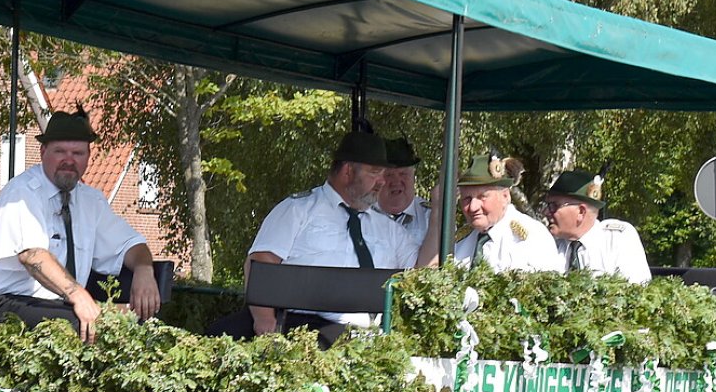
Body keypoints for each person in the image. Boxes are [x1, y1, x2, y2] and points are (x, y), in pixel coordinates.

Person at [0, 110, 161, 343]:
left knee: (136, 322)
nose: (69, 160)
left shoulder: (91, 201)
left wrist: (144, 269)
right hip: (1, 303)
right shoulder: (22, 193)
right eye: (60, 151)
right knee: (82, 326)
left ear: (88, 157)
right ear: (43, 152)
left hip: (58, 305)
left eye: (77, 153)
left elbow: (130, 244)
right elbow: (32, 256)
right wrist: (78, 295)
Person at [207, 129, 392, 345]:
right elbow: (261, 261)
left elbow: (422, 270)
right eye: (374, 172)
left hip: (360, 334)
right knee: (214, 339)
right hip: (296, 325)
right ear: (348, 171)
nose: (382, 181)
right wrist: (265, 319)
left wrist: (438, 213)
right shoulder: (297, 209)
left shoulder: (388, 228)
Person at [417, 153, 562, 272]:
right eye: (467, 198)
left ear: (505, 196)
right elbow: (425, 274)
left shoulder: (531, 236)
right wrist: (438, 210)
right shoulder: (461, 239)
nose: (473, 207)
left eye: (482, 197)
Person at [543, 168, 652, 282]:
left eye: (553, 205)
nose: (545, 212)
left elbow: (635, 290)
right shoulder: (549, 246)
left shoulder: (616, 239)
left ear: (581, 212)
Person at [366, 137, 431, 268]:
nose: (396, 181)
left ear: (413, 177)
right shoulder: (363, 217)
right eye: (389, 175)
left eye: (403, 174)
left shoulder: (431, 217)